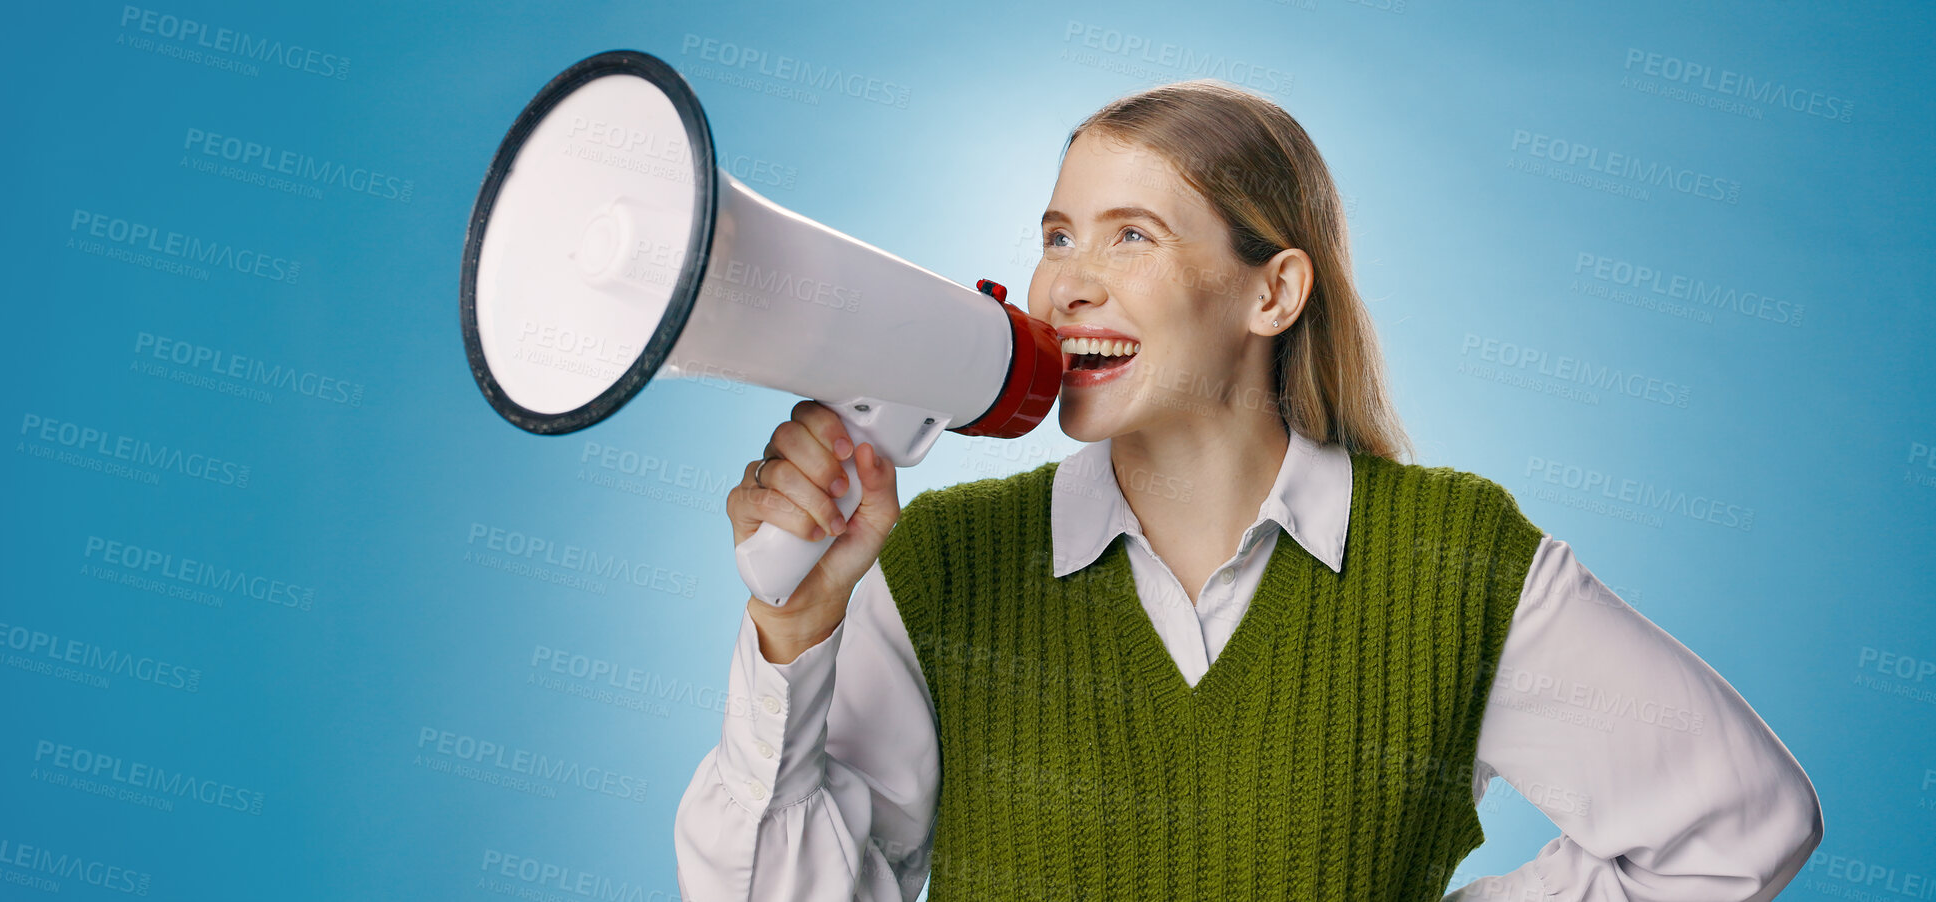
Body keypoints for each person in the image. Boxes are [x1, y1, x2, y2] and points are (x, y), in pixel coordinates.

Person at [673, 79, 1821, 901]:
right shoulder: (939, 565)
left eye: (1131, 236)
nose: (1066, 282)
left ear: (1272, 293)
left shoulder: (1453, 561)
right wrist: (791, 632)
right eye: (1058, 233)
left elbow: (1739, 822)